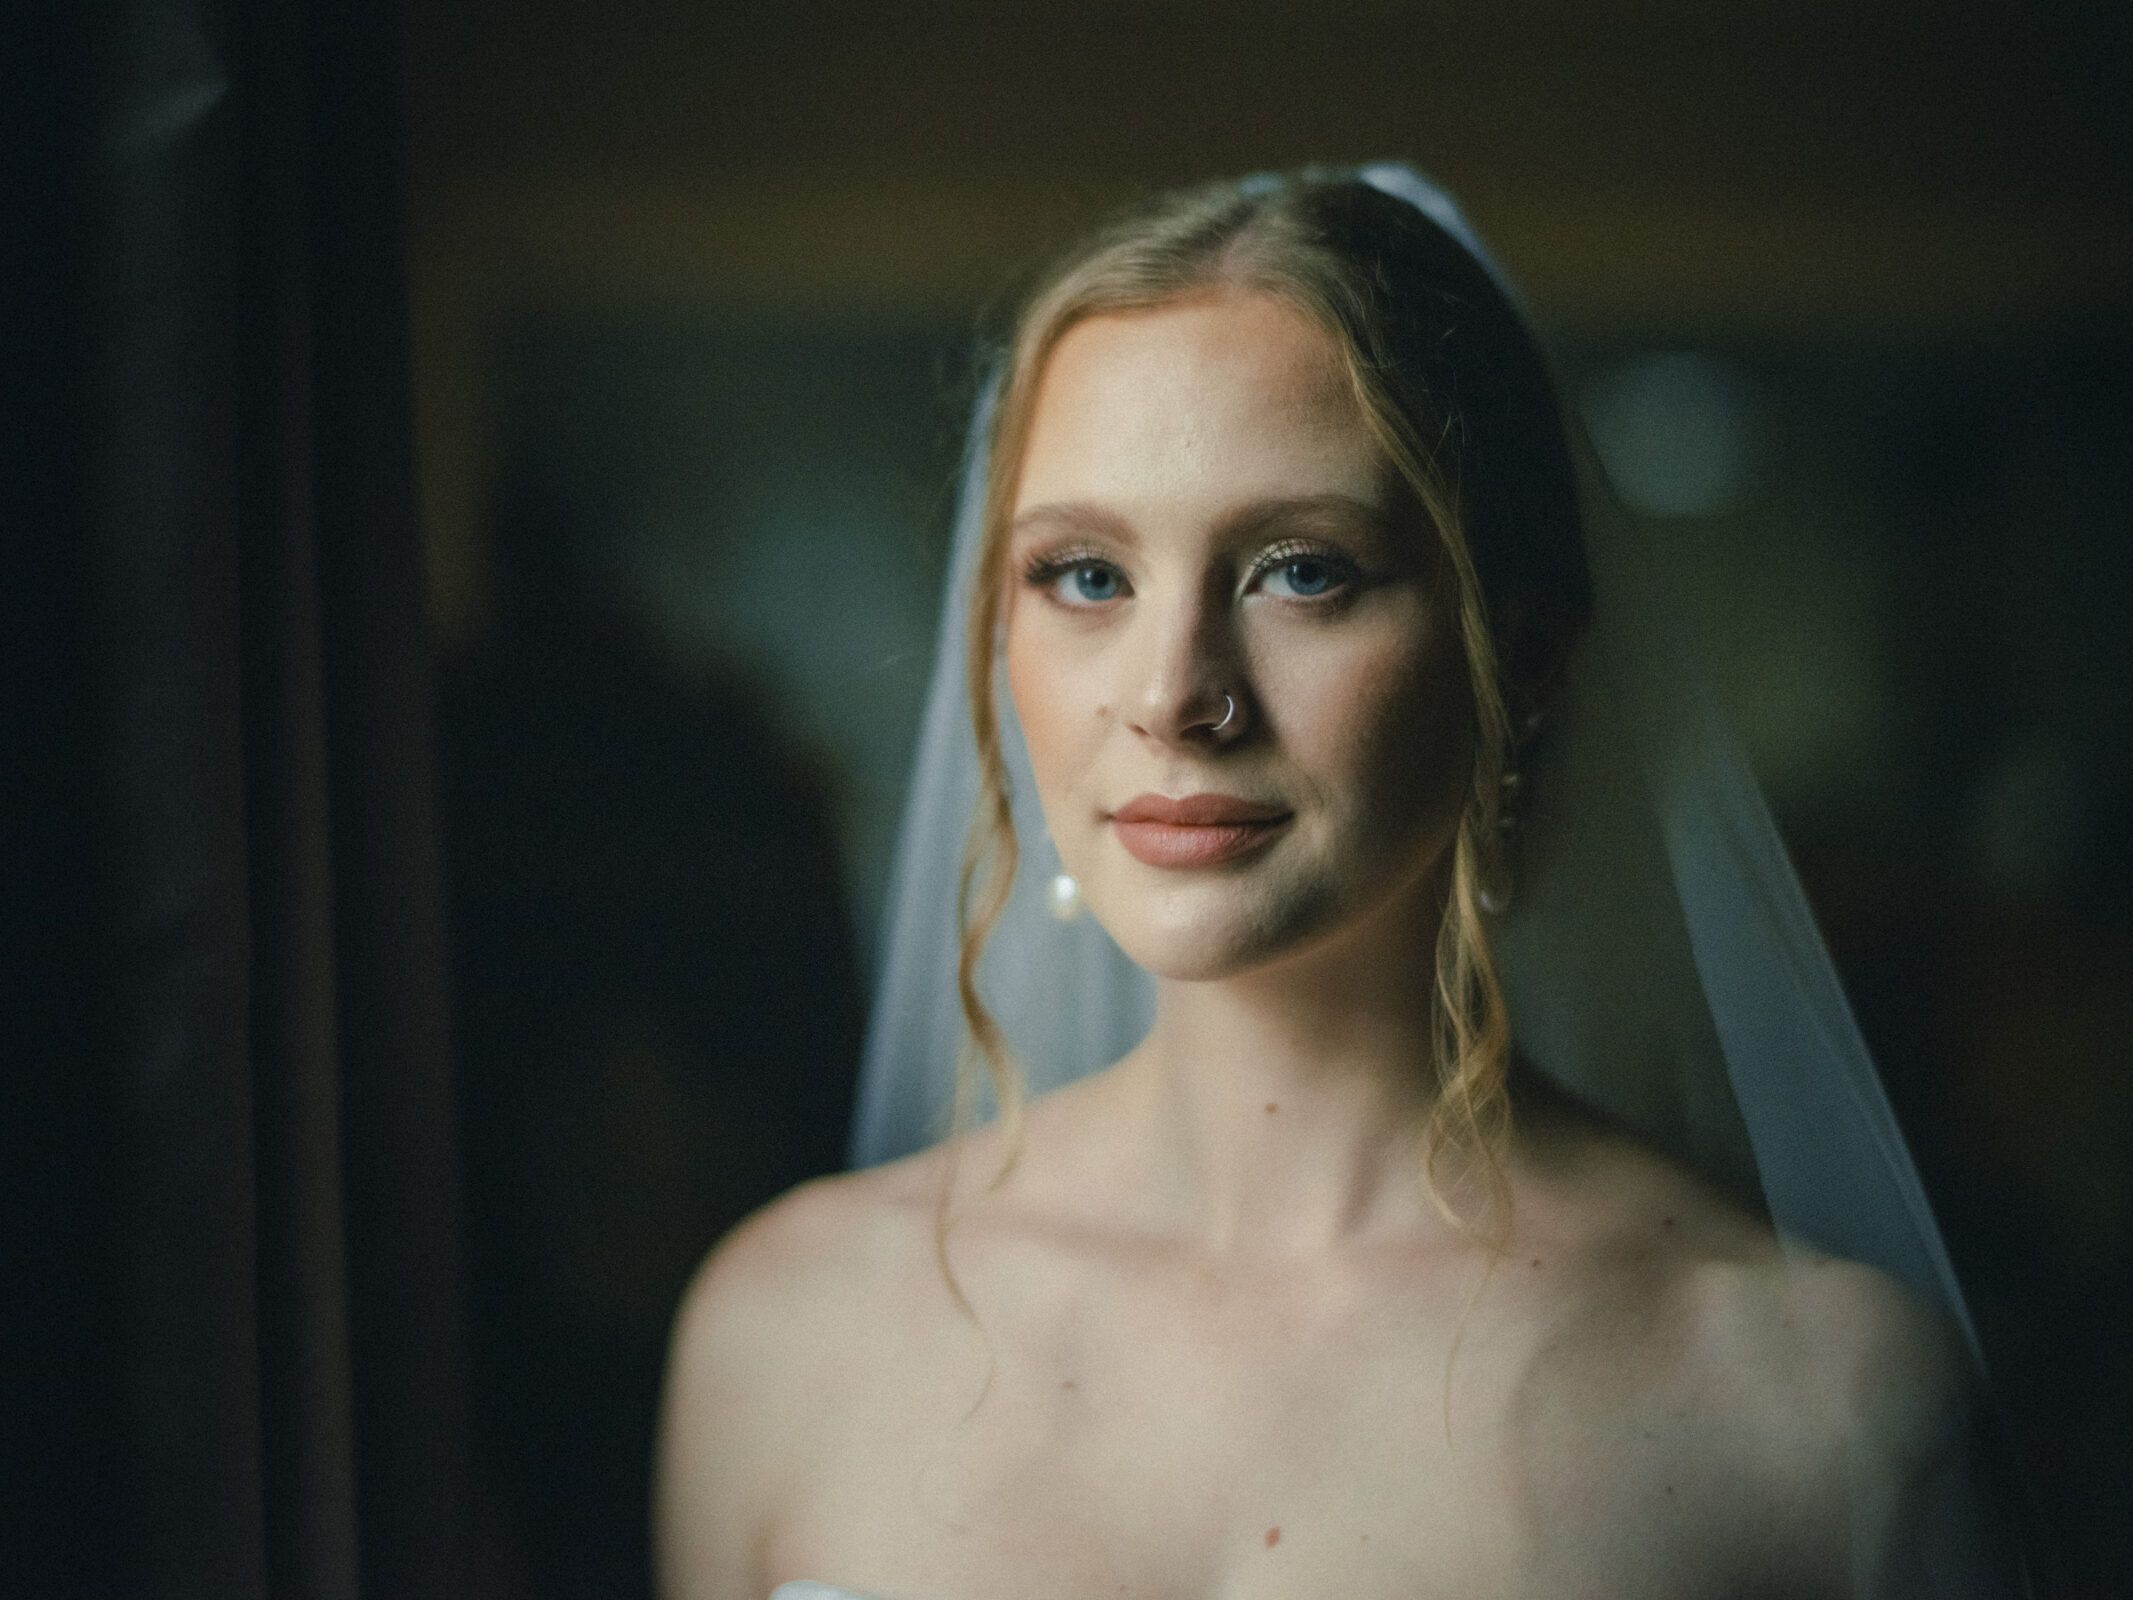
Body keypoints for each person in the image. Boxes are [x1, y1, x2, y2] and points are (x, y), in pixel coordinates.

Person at [654, 167, 2022, 1599]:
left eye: (1299, 570)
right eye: (1085, 577)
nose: (1174, 696)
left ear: (1530, 651)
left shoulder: (1825, 1408)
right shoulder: (785, 1332)